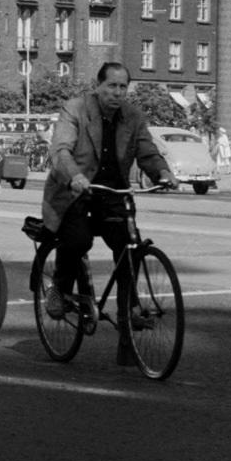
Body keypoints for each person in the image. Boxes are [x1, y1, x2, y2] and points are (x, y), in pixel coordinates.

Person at [41, 62, 173, 366]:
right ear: (97, 85)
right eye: (111, 86)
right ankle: (59, 288)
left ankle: (128, 333)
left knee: (130, 251)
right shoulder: (75, 108)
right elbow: (60, 150)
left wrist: (163, 172)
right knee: (77, 240)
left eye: (122, 86)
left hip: (114, 195)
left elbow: (147, 152)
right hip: (77, 191)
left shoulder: (133, 115)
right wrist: (74, 175)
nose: (117, 92)